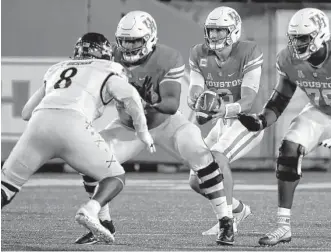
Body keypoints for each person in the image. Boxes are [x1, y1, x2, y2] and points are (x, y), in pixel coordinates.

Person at [75, 11, 234, 246]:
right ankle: (103, 223)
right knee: (88, 159)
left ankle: (226, 221)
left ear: (149, 38)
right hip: (129, 126)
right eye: (125, 40)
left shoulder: (168, 57)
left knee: (200, 154)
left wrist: (146, 102)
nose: (128, 47)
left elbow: (170, 104)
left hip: (165, 123)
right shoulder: (112, 56)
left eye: (135, 41)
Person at [237, 8, 331, 246]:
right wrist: (261, 121)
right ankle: (283, 226)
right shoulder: (288, 59)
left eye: (303, 38)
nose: (297, 43)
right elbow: (279, 100)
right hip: (323, 112)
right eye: (294, 38)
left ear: (321, 34)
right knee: (289, 148)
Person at [1, 32, 156, 243]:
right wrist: (143, 132)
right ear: (105, 54)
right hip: (73, 123)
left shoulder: (58, 68)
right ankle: (91, 210)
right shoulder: (110, 68)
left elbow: (26, 113)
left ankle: (104, 222)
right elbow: (131, 97)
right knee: (115, 177)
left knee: (6, 186)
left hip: (39, 124)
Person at [187, 6, 264, 235]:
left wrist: (224, 110)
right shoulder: (198, 53)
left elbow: (249, 100)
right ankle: (238, 209)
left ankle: (227, 221)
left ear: (234, 31)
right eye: (211, 30)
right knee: (196, 179)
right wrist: (196, 100)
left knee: (218, 157)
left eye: (220, 31)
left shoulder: (249, 51)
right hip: (223, 122)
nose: (214, 36)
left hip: (248, 120)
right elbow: (195, 89)